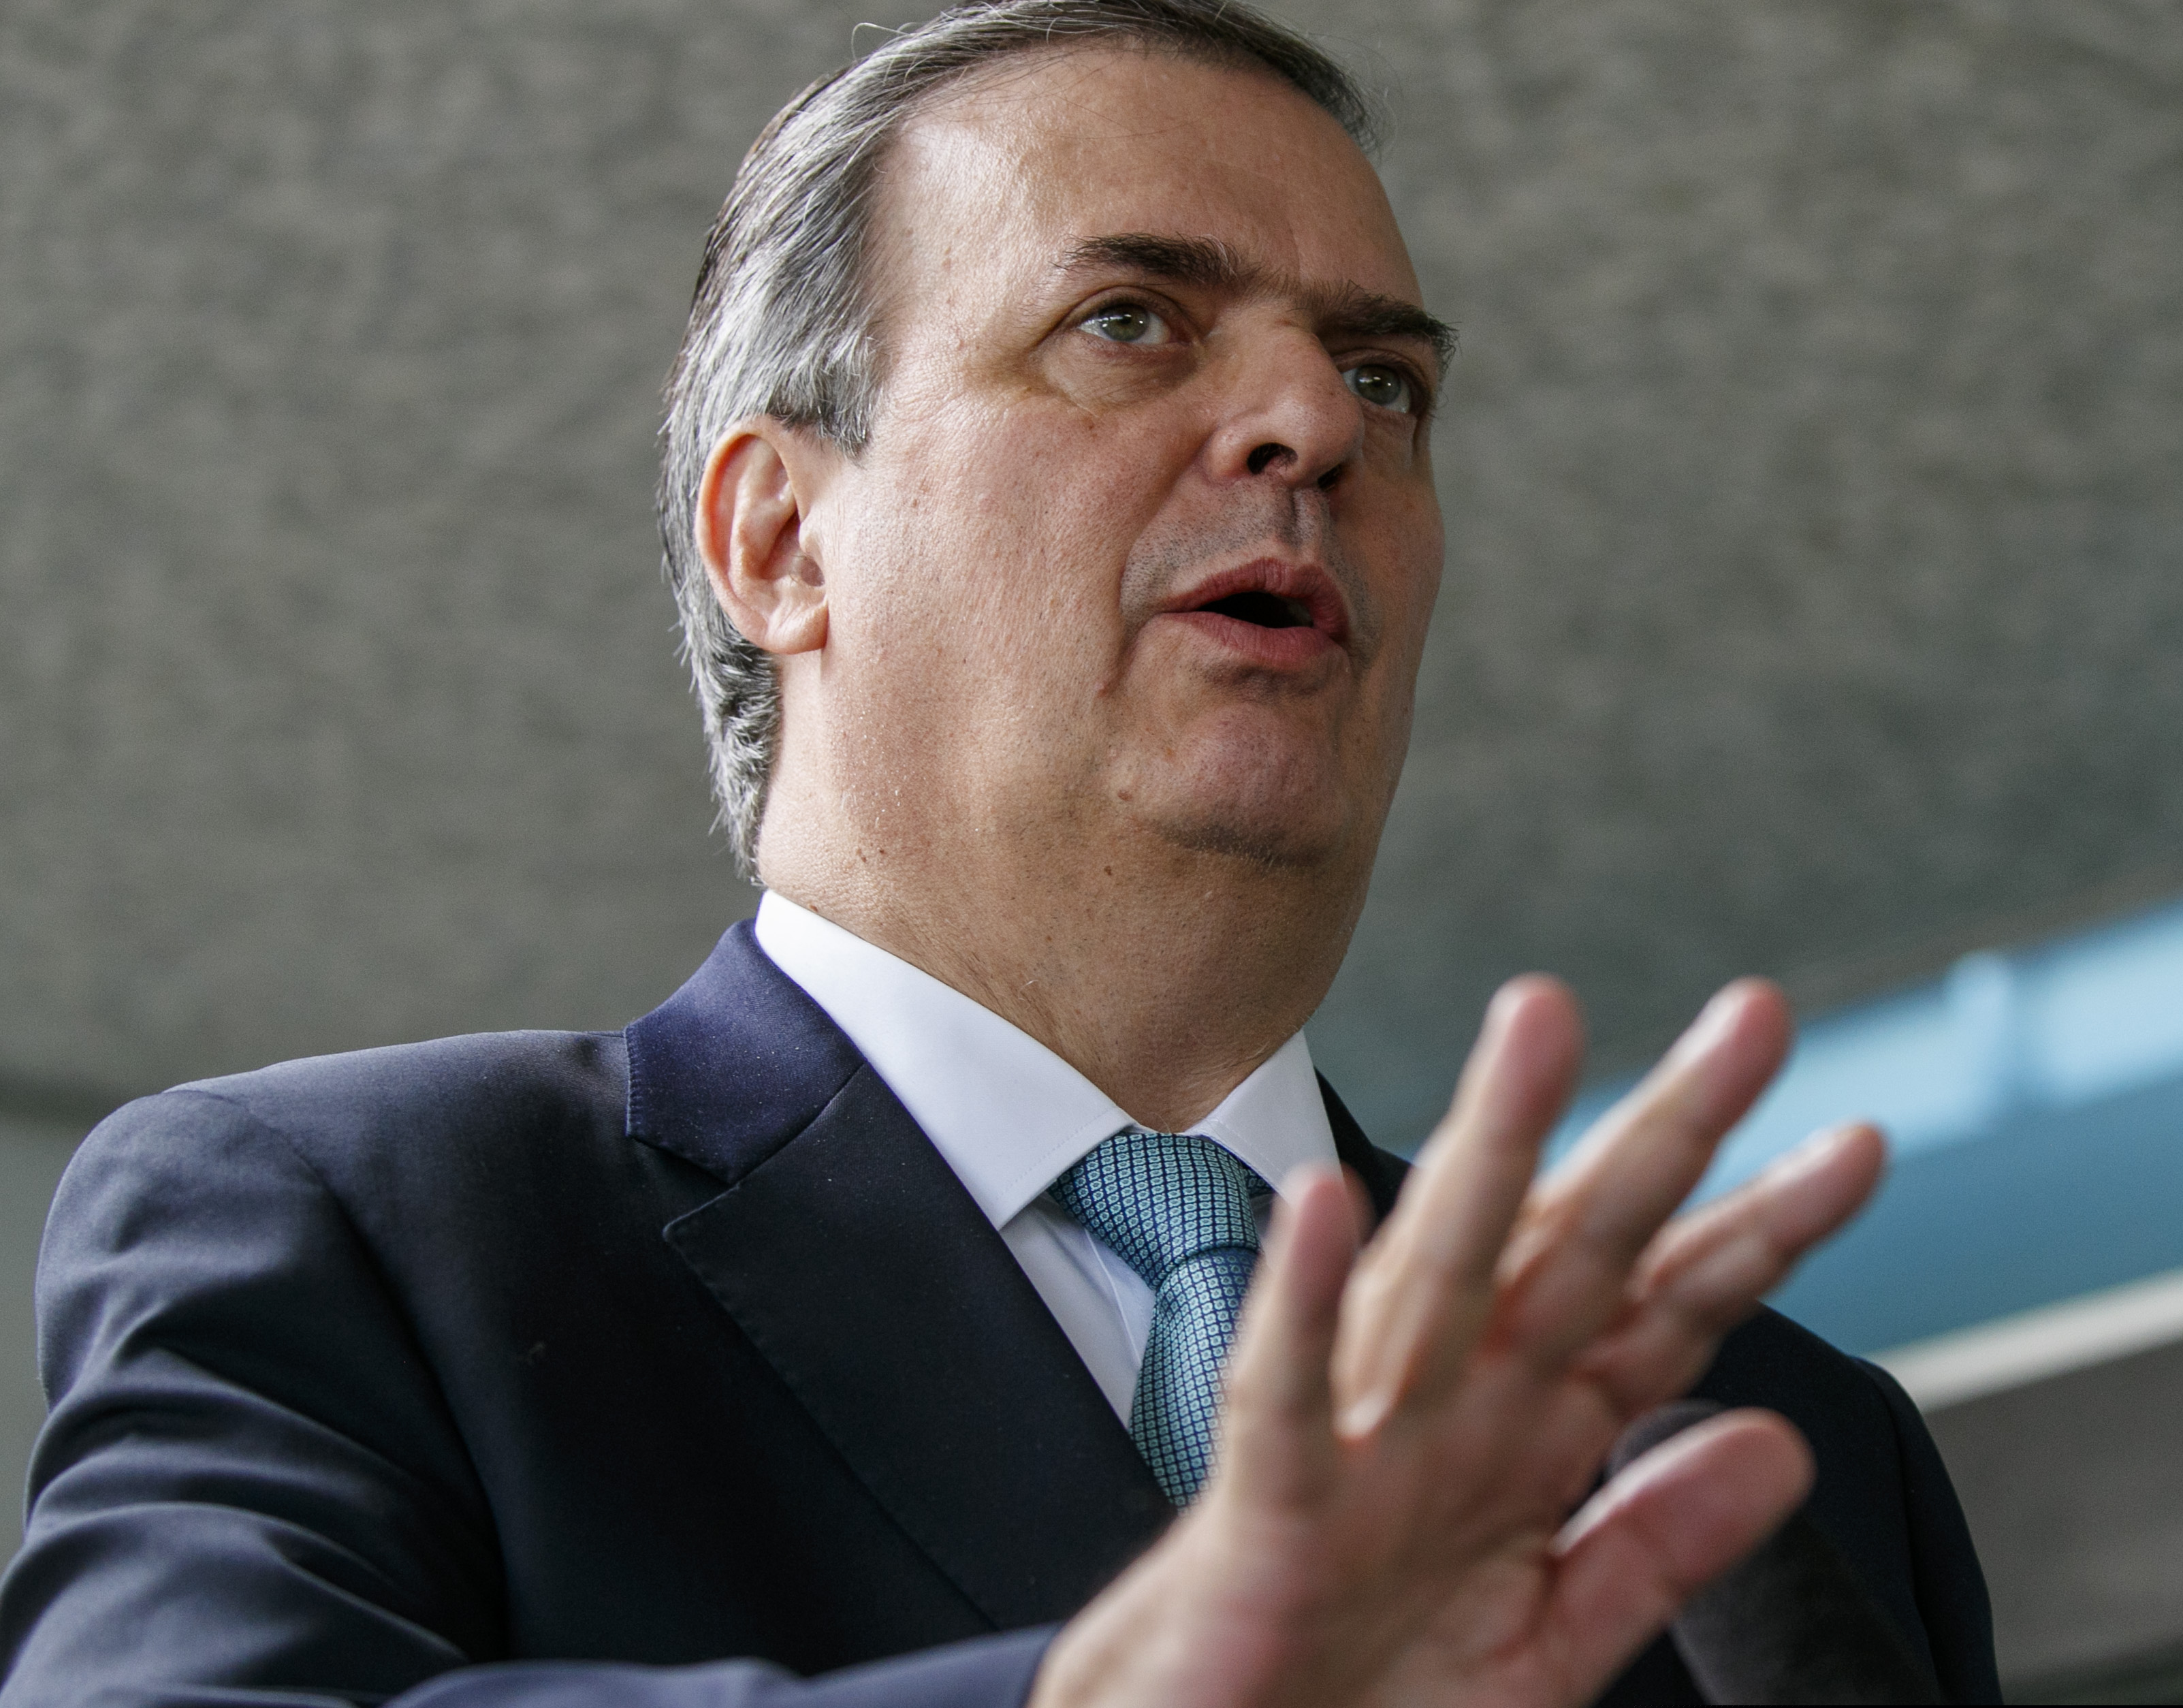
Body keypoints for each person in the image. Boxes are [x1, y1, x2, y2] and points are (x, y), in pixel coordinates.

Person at [0, 3, 1996, 1703]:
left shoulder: (1773, 1449)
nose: (1312, 419)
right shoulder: (356, 1232)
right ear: (782, 539)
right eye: (1131, 323)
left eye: (1385, 377)